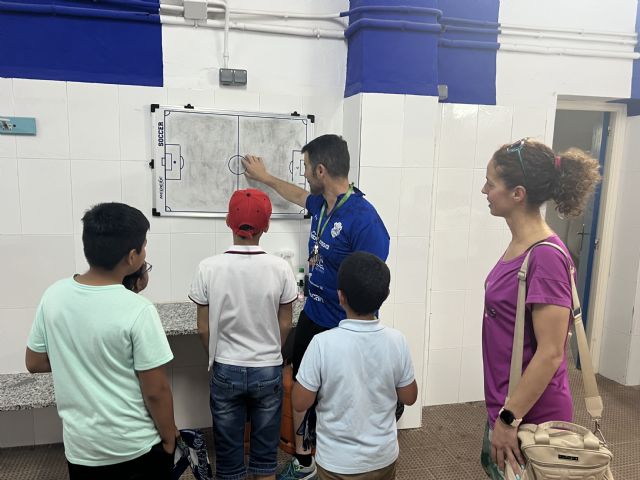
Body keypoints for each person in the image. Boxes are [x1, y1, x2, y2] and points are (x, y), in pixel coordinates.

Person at [242, 134, 390, 480]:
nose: (304, 173)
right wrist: (264, 178)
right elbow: (297, 195)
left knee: (338, 395)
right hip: (313, 314)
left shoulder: (364, 220)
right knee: (299, 382)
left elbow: (371, 280)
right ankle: (305, 461)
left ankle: (343, 460)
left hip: (345, 327)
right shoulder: (323, 203)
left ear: (321, 170)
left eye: (307, 167)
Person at [25, 202, 177, 480]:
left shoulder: (54, 295)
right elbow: (156, 391)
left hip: (82, 450)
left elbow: (34, 361)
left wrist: (77, 359)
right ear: (132, 257)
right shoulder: (139, 310)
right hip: (134, 447)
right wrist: (170, 437)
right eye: (144, 246)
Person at [480, 138, 601, 478]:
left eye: (491, 183)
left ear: (517, 193)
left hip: (531, 417)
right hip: (510, 407)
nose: (483, 190)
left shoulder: (545, 257)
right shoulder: (522, 244)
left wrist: (508, 419)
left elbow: (550, 353)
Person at [189, 189, 297, 480]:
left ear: (228, 221)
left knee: (229, 459)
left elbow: (203, 327)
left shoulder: (208, 267)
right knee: (265, 459)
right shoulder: (281, 268)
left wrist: (215, 355)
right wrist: (272, 350)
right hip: (267, 368)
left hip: (226, 367)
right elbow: (285, 321)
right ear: (267, 225)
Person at [292, 252, 417, 480]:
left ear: (340, 297)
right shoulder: (397, 340)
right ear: (385, 295)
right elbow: (409, 397)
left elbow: (299, 401)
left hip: (336, 463)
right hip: (383, 459)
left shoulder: (322, 344)